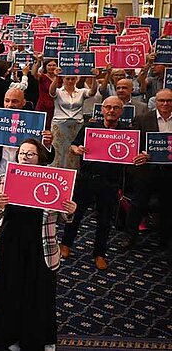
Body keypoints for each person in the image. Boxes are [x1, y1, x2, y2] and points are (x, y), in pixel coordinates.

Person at [0, 138, 77, 351]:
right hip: (11, 242)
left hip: (41, 243)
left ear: (40, 158)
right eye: (21, 153)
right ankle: (11, 336)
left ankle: (43, 337)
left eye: (30, 154)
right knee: (11, 290)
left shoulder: (55, 179)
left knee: (40, 292)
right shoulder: (5, 178)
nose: (24, 157)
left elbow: (65, 218)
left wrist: (70, 211)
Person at [60, 96, 147, 270]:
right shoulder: (90, 127)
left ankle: (99, 253)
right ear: (102, 110)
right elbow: (73, 145)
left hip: (111, 183)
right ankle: (66, 244)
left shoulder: (128, 132)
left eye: (116, 107)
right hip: (87, 179)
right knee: (75, 215)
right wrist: (76, 150)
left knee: (105, 220)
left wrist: (142, 156)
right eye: (108, 107)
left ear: (121, 111)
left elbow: (138, 153)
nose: (111, 111)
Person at [0, 88, 55, 206]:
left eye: (15, 101)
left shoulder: (35, 123)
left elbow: (48, 159)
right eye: (7, 101)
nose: (10, 105)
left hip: (25, 179)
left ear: (23, 103)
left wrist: (47, 144)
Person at [123, 88, 172, 251]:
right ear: (155, 102)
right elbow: (132, 143)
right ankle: (131, 237)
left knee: (167, 206)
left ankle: (164, 240)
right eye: (161, 101)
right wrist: (141, 153)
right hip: (145, 170)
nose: (165, 104)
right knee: (138, 205)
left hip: (169, 172)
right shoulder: (142, 119)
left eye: (169, 101)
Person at [48, 67, 98, 169]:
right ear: (63, 79)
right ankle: (56, 171)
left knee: (74, 152)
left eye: (72, 79)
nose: (70, 81)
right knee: (58, 151)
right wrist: (56, 77)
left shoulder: (81, 92)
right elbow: (51, 92)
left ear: (76, 79)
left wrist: (94, 77)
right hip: (60, 126)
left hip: (77, 126)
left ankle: (73, 174)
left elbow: (92, 92)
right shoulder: (58, 92)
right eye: (67, 79)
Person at [32, 55, 57, 128]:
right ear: (45, 66)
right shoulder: (42, 77)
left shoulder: (60, 78)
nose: (51, 67)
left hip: (56, 107)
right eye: (49, 65)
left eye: (54, 65)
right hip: (42, 106)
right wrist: (39, 61)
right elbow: (34, 73)